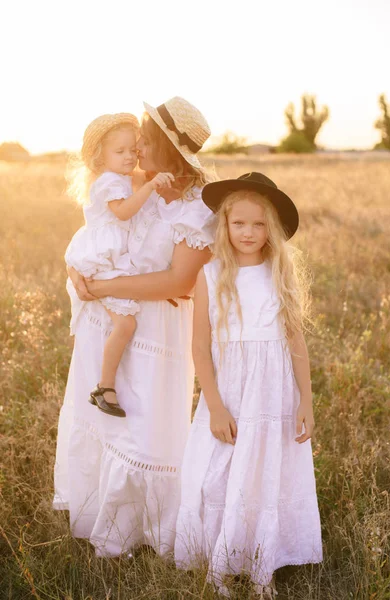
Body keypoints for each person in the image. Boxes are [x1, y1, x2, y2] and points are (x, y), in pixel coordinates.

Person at [53, 97, 217, 558]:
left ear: (168, 147)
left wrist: (105, 287)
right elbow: (99, 231)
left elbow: (179, 281)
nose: (138, 144)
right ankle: (96, 515)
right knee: (105, 420)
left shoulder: (199, 207)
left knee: (143, 426)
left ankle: (141, 528)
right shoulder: (134, 180)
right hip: (107, 320)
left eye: (146, 137)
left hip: (156, 329)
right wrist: (78, 273)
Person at [175, 172, 323, 597]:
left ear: (270, 229)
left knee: (266, 473)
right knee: (220, 472)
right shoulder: (210, 274)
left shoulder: (280, 273)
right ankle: (221, 564)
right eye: (239, 223)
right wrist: (216, 406)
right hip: (231, 392)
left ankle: (264, 562)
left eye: (258, 224)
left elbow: (296, 341)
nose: (248, 232)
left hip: (274, 394)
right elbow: (200, 348)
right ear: (224, 224)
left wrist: (306, 401)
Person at [65, 112, 175, 417]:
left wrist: (151, 180)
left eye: (133, 149)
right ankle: (104, 386)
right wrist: (151, 186)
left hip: (110, 257)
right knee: (126, 323)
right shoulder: (108, 183)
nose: (130, 157)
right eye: (120, 151)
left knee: (124, 323)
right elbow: (124, 212)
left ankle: (106, 384)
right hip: (102, 260)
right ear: (101, 158)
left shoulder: (122, 177)